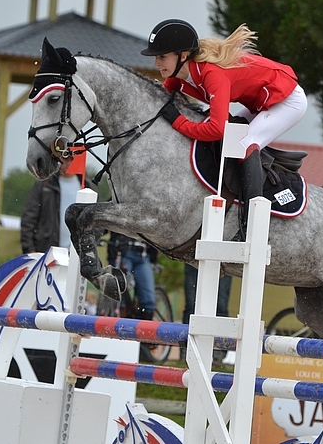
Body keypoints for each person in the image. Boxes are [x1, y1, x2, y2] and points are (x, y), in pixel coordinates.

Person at [141, 19, 308, 239]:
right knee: (220, 135)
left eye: (162, 56)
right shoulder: (177, 76)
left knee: (242, 144)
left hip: (287, 101)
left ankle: (253, 227)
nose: (156, 63)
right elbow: (162, 101)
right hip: (258, 103)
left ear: (182, 56)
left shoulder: (212, 74)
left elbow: (217, 129)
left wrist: (178, 122)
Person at [20, 164, 94, 254]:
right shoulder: (44, 184)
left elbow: (97, 220)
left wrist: (87, 244)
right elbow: (29, 218)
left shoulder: (87, 186)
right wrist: (30, 249)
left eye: (71, 158)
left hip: (77, 254)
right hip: (46, 251)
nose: (67, 162)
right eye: (64, 157)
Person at [181, 263, 232, 362]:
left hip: (225, 259)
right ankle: (186, 348)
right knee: (191, 305)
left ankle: (219, 349)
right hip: (192, 256)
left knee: (220, 305)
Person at [107, 232, 157, 322]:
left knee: (148, 303)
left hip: (144, 255)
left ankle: (143, 332)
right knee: (119, 296)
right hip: (123, 250)